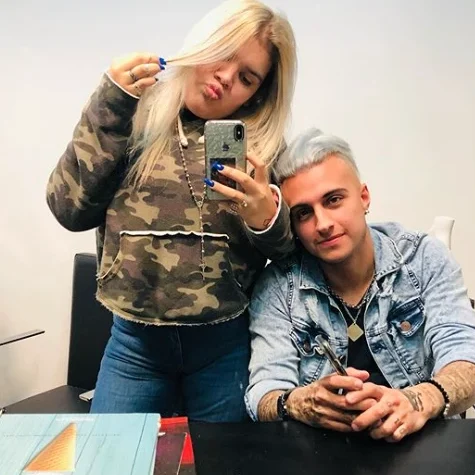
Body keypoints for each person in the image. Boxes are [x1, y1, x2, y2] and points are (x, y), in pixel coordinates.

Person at [46, 0, 297, 422]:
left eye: (246, 77)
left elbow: (292, 255)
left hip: (225, 345)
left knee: (223, 458)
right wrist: (109, 103)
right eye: (223, 53)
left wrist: (265, 219)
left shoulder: (262, 146)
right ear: (204, 41)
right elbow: (68, 209)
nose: (226, 77)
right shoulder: (133, 113)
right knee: (110, 455)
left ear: (258, 92)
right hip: (135, 344)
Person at [245, 128, 475, 441]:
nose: (323, 224)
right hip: (320, 453)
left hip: (421, 446)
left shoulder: (422, 259)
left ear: (364, 197)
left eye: (333, 200)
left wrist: (418, 401)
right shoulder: (278, 286)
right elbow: (263, 394)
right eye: (303, 213)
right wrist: (299, 403)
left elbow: (471, 360)